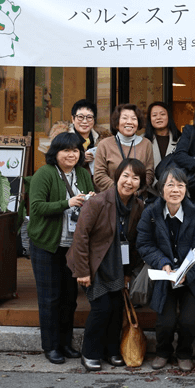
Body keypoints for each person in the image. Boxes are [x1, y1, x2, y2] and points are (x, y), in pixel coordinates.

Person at [67, 158, 146, 371]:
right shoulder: (97, 202)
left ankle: (111, 350)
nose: (129, 181)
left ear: (141, 182)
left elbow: (134, 242)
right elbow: (81, 237)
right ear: (117, 177)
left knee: (116, 308)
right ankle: (90, 352)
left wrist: (128, 273)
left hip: (118, 265)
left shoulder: (138, 206)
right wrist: (83, 271)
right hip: (95, 265)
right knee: (102, 308)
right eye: (126, 176)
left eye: (135, 177)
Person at [28, 132, 95, 364]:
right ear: (55, 153)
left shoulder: (83, 174)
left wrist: (91, 199)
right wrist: (68, 202)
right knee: (49, 298)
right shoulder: (44, 174)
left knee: (69, 299)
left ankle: (65, 344)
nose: (71, 154)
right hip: (48, 245)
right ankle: (51, 346)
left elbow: (92, 204)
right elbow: (36, 207)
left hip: (73, 248)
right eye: (66, 150)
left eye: (75, 150)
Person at [136, 166, 195, 372]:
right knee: (165, 321)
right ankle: (163, 352)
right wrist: (162, 262)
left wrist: (187, 272)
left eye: (180, 185)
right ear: (161, 189)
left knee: (189, 319)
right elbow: (144, 244)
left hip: (189, 278)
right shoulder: (151, 212)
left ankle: (185, 353)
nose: (175, 190)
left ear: (186, 189)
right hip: (164, 275)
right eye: (170, 185)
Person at [93, 103, 154, 192]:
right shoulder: (104, 144)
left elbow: (149, 174)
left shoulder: (146, 144)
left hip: (137, 198)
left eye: (133, 118)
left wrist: (136, 191)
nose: (129, 122)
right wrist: (120, 190)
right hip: (111, 198)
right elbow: (99, 175)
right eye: (124, 118)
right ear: (117, 123)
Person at [144, 101, 181, 171]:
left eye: (162, 114)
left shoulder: (181, 139)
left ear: (169, 117)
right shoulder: (142, 140)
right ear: (150, 119)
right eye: (154, 115)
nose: (158, 117)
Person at [69, 99, 101, 169]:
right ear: (73, 119)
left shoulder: (102, 138)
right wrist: (81, 158)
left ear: (94, 120)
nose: (84, 121)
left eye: (89, 117)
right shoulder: (62, 139)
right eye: (80, 117)